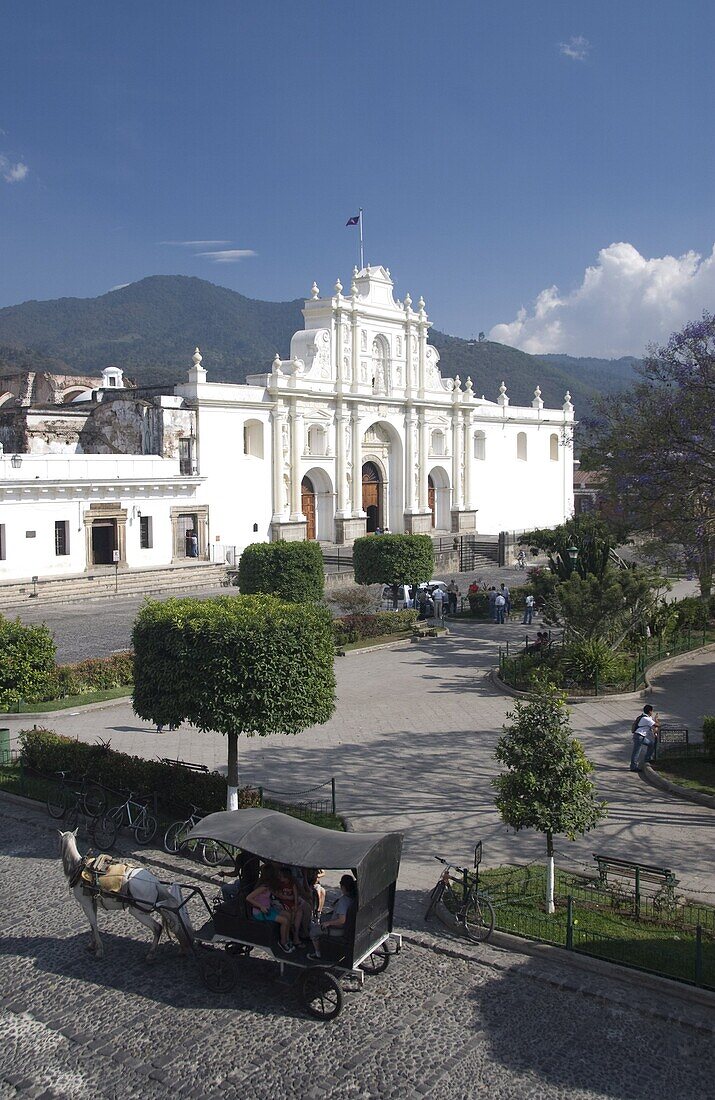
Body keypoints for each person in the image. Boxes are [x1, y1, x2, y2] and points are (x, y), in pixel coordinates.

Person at [246, 865, 295, 952]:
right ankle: (283, 942)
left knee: (288, 914)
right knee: (284, 920)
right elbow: (249, 898)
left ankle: (287, 938)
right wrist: (260, 906)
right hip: (260, 912)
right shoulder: (263, 887)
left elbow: (275, 894)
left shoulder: (269, 886)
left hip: (268, 909)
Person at [308, 874, 357, 960]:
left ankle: (317, 954)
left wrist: (328, 923)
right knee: (320, 919)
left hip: (339, 929)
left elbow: (342, 920)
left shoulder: (343, 902)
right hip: (347, 925)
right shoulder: (353, 897)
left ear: (343, 887)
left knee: (313, 931)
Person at [630, 705, 660, 772]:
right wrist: (656, 719)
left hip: (640, 736)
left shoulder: (645, 717)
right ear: (650, 711)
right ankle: (633, 767)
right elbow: (657, 725)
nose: (652, 712)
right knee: (636, 751)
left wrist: (654, 733)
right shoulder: (646, 719)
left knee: (651, 744)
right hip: (639, 736)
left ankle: (647, 759)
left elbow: (652, 727)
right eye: (652, 711)